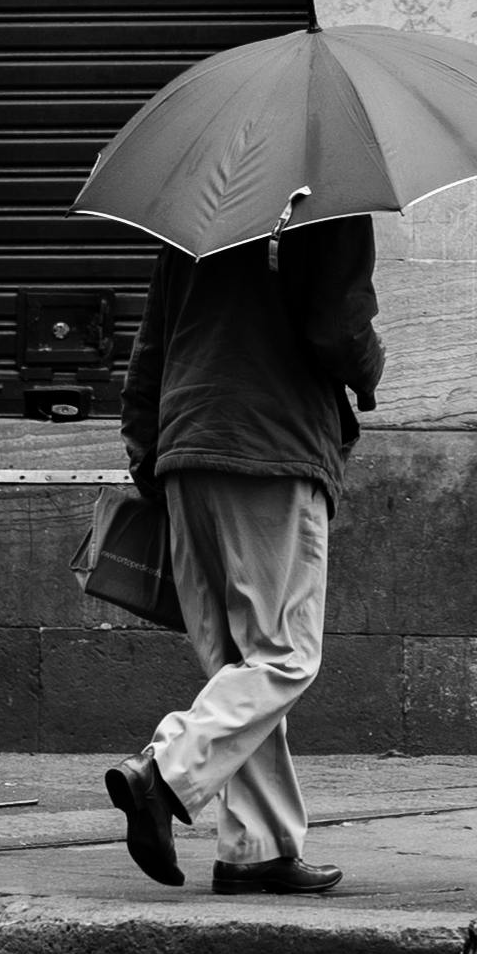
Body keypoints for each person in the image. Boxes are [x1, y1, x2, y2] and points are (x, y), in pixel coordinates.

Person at [103, 204, 384, 896]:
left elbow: (151, 348)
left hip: (185, 448)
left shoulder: (200, 207)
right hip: (271, 446)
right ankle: (164, 771)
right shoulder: (332, 201)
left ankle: (256, 849)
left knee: (239, 663)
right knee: (285, 655)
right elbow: (339, 330)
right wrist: (371, 368)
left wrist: (152, 461)